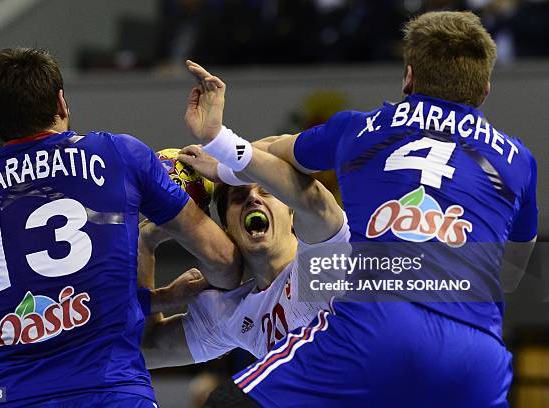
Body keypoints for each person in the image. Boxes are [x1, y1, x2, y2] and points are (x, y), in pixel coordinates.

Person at [181, 10, 537, 408]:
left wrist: (218, 148)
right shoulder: (519, 161)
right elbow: (510, 274)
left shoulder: (367, 126)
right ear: (485, 88)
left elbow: (277, 152)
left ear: (408, 77)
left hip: (379, 328)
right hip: (478, 356)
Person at [0, 47, 242, 407]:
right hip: (109, 391)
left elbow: (47, 307)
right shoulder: (119, 154)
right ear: (61, 102)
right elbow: (224, 261)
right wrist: (151, 238)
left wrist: (162, 298)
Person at [138, 172, 348, 369]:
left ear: (291, 213)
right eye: (239, 197)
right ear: (227, 229)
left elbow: (312, 197)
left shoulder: (323, 258)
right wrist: (144, 246)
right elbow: (146, 351)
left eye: (266, 191)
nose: (253, 198)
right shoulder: (231, 313)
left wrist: (226, 155)